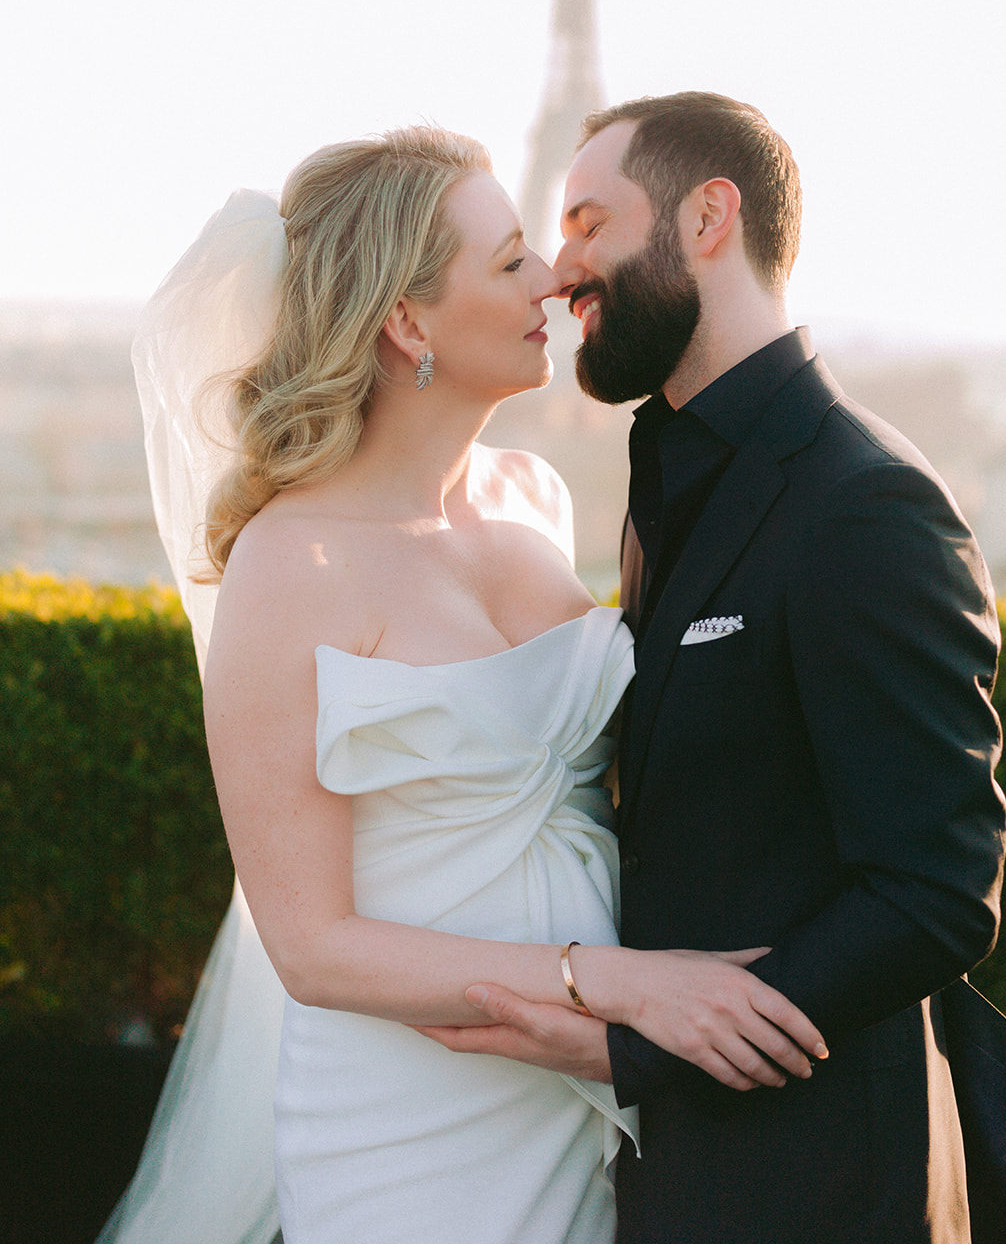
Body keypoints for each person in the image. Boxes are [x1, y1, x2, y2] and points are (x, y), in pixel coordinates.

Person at [111, 125, 826, 1244]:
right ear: (407, 321)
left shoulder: (537, 498)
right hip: (412, 1120)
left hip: (594, 1089)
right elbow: (311, 944)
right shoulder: (289, 566)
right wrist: (621, 984)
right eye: (506, 263)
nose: (553, 277)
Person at [421, 93, 1006, 1244]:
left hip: (828, 1175)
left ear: (708, 216)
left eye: (590, 220)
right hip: (682, 1166)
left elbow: (937, 891)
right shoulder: (668, 468)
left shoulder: (866, 502)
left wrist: (628, 1040)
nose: (561, 265)